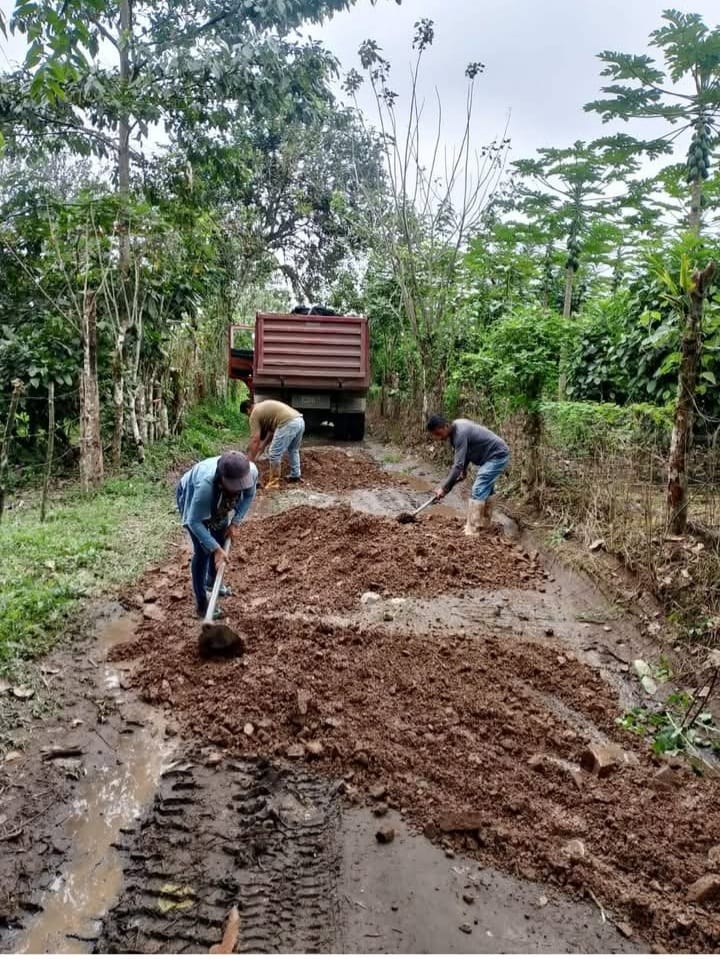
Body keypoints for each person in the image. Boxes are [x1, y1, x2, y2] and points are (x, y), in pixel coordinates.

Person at [176, 451, 258, 618]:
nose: (240, 488)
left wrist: (235, 522)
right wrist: (214, 548)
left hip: (220, 497)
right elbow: (194, 522)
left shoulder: (250, 472)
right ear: (222, 479)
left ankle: (212, 582)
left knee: (220, 538)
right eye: (235, 485)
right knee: (203, 551)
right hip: (191, 493)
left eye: (242, 484)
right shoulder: (205, 487)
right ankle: (202, 605)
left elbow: (249, 495)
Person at [427, 413, 510, 536]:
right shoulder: (456, 431)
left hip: (497, 455)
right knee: (486, 489)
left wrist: (444, 488)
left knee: (478, 489)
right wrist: (464, 470)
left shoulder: (460, 433)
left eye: (438, 434)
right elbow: (466, 452)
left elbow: (457, 466)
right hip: (491, 456)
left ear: (445, 426)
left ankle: (473, 530)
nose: (438, 438)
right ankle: (485, 524)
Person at [241, 398, 305, 487]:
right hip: (299, 420)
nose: (248, 416)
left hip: (288, 423)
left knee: (274, 453)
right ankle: (295, 475)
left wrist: (250, 459)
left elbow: (255, 439)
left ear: (248, 410)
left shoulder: (254, 414)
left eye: (246, 414)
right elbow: (271, 433)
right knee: (293, 449)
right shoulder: (263, 408)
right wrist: (263, 446)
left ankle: (273, 483)